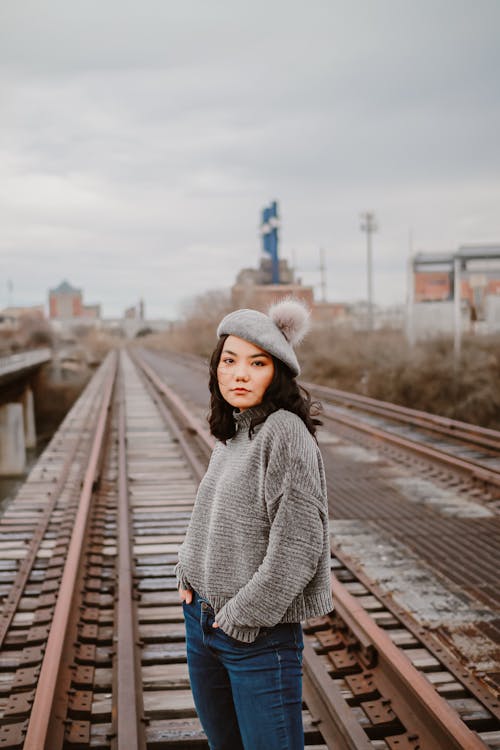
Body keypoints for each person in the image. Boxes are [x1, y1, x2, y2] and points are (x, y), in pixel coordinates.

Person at [175, 297, 333, 750]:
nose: (239, 373)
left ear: (277, 372)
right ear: (216, 368)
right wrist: (186, 570)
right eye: (229, 361)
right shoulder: (237, 431)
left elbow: (299, 547)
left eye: (256, 363)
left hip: (257, 639)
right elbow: (208, 511)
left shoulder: (285, 434)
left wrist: (242, 618)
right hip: (202, 624)